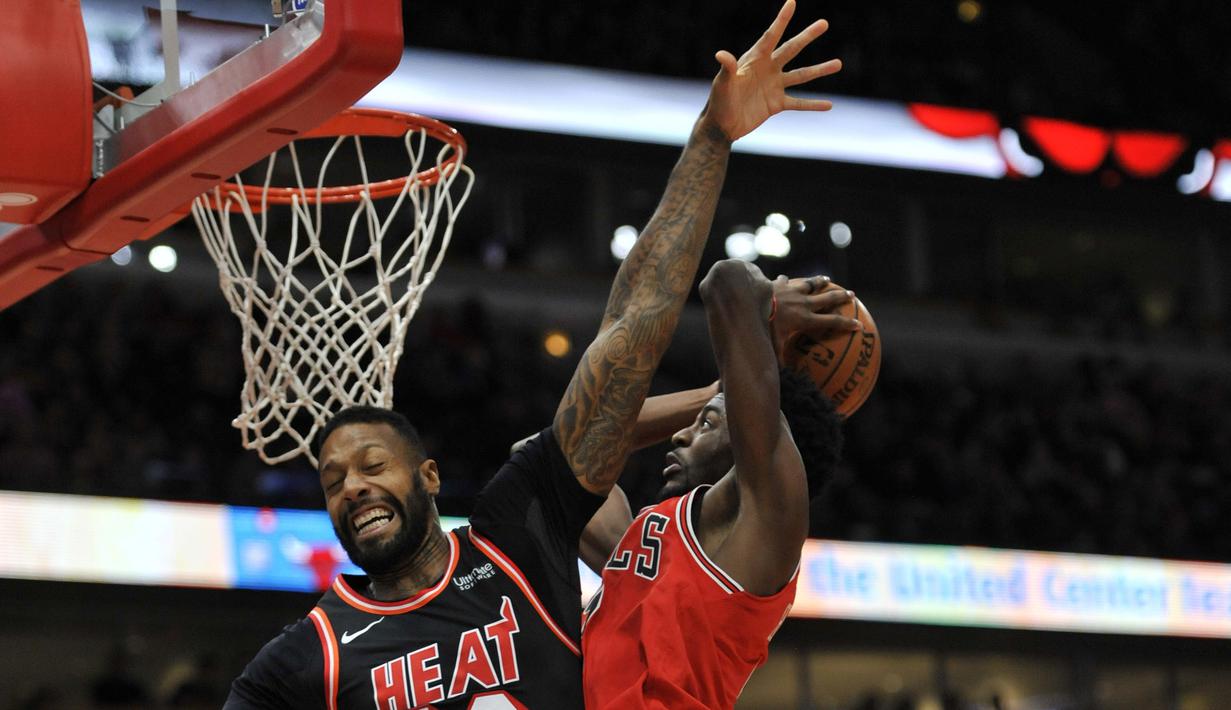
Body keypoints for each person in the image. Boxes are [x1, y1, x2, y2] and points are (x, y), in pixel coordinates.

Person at [223, 2, 844, 707]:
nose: (353, 487)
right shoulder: (308, 656)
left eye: (371, 465)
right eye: (332, 481)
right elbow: (583, 414)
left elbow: (631, 333)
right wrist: (719, 391)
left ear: (430, 475)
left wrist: (711, 138)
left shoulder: (519, 543)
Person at [580, 264, 853, 709]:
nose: (680, 434)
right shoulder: (640, 550)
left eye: (705, 423)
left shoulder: (767, 523)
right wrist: (716, 392)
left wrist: (771, 307)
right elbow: (558, 450)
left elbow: (727, 283)